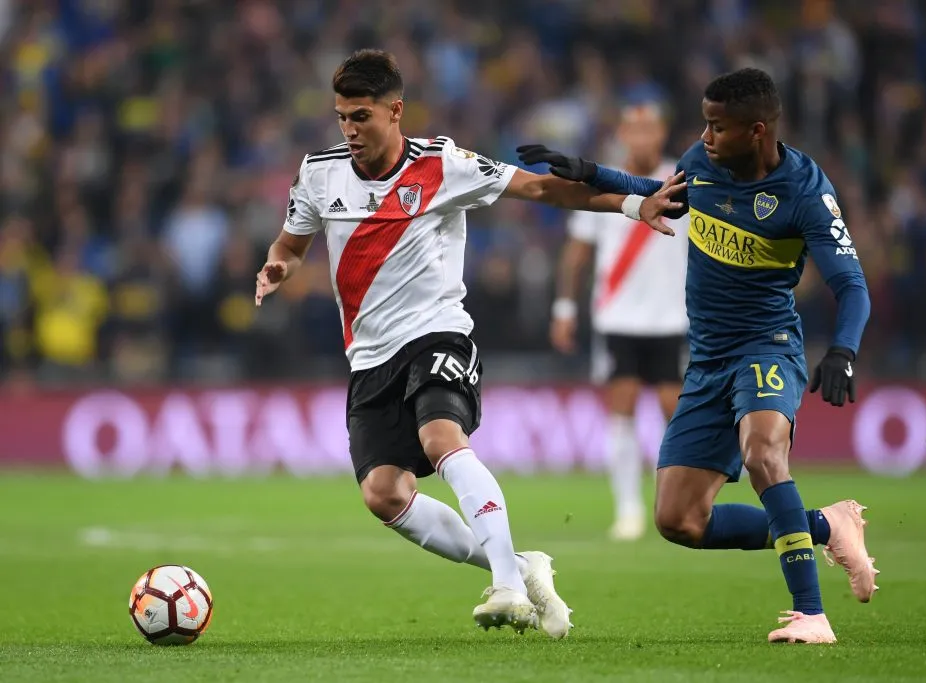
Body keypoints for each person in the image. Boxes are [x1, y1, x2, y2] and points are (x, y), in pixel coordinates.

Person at [253, 49, 684, 638]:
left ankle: (507, 588)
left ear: (395, 110)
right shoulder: (319, 172)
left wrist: (635, 202)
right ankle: (518, 565)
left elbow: (538, 189)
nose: (350, 130)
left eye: (362, 116)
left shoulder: (443, 163)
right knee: (384, 494)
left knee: (439, 437)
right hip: (370, 357)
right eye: (342, 118)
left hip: (438, 334)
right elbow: (290, 243)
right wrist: (276, 267)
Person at [518, 68, 877, 644]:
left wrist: (842, 350)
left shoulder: (806, 192)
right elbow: (652, 187)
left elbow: (852, 285)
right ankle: (825, 524)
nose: (705, 138)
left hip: (767, 346)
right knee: (679, 521)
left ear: (757, 130)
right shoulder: (703, 162)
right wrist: (589, 172)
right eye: (704, 124)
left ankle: (811, 613)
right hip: (707, 359)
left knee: (764, 456)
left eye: (717, 127)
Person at [547, 102, 688, 541]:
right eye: (634, 129)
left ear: (661, 133)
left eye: (650, 129)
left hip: (673, 317)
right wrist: (564, 308)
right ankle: (628, 510)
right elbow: (577, 253)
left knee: (676, 414)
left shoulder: (684, 182)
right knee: (621, 408)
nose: (642, 137)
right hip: (619, 316)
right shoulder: (603, 181)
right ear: (623, 134)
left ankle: (675, 505)